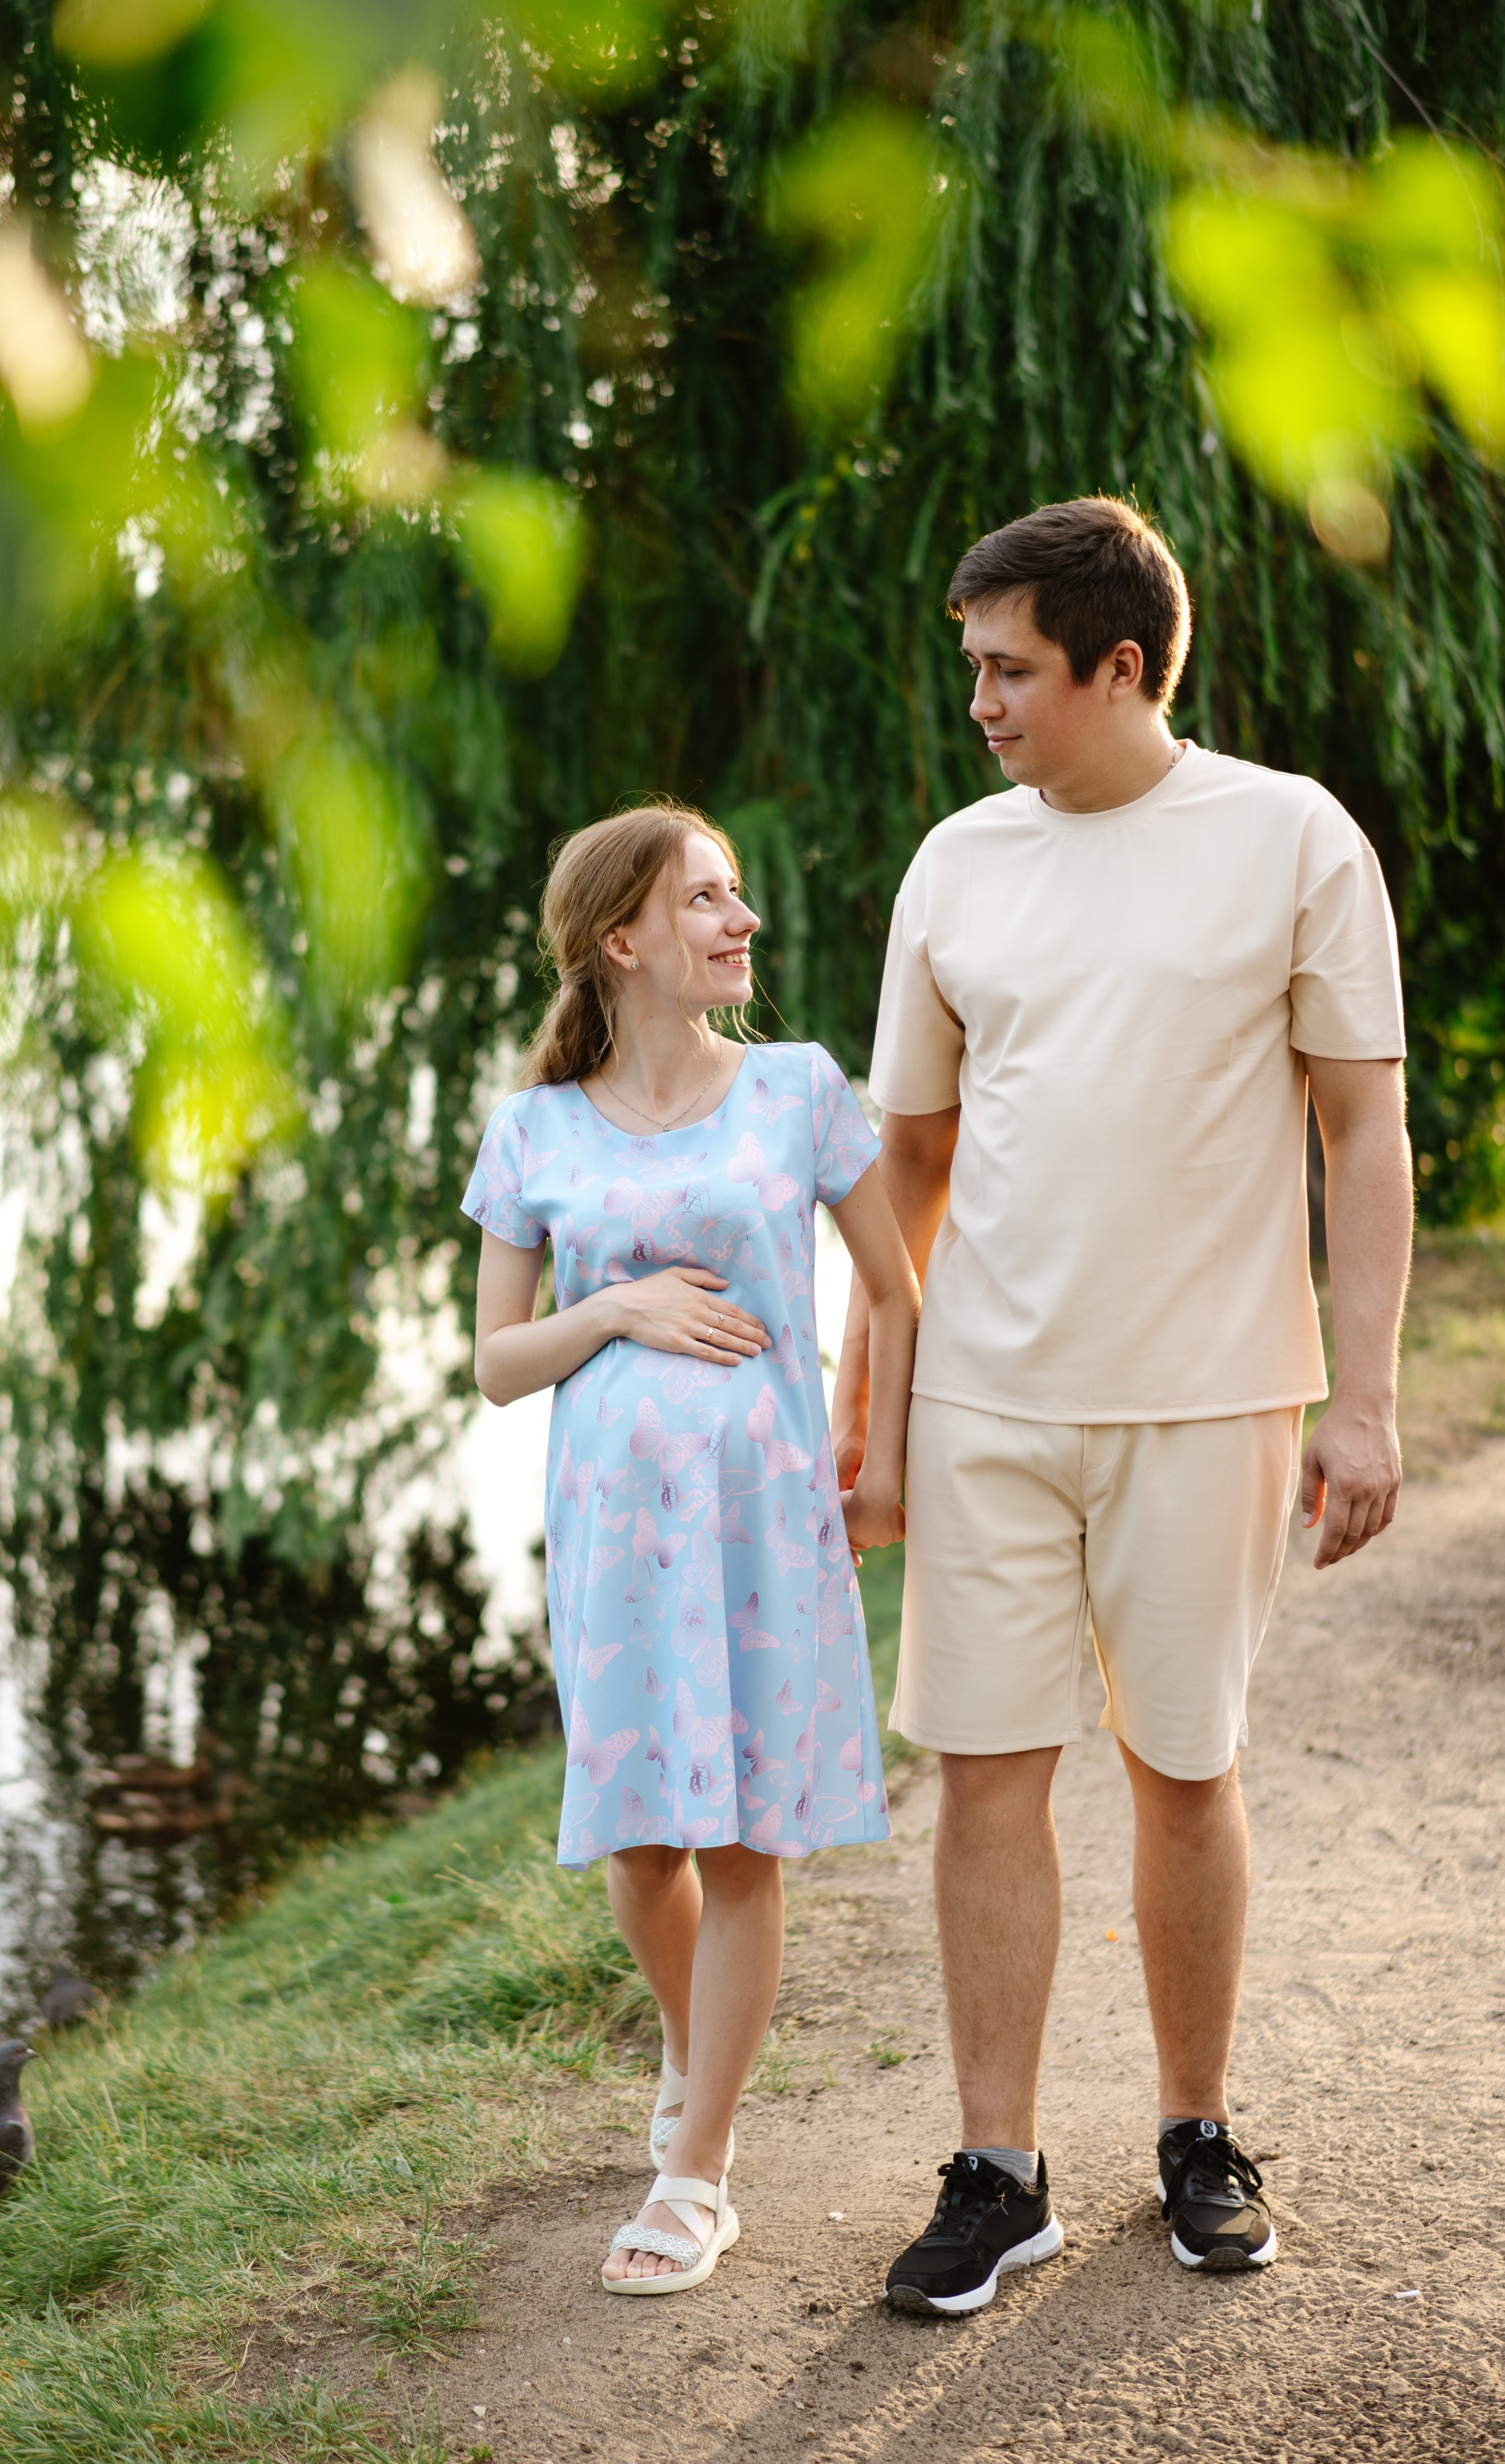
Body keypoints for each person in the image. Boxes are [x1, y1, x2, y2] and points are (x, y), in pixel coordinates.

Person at [833, 496, 1412, 2314]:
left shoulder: (1291, 839)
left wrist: (1367, 1401)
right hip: (991, 1405)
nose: (984, 703)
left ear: (1123, 666)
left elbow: (1363, 1126)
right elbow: (904, 1164)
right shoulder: (957, 862)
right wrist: (876, 1411)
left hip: (1212, 1397)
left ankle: (1196, 2134)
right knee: (983, 1779)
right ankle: (998, 2173)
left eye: (1011, 670)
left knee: (1185, 1770)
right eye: (974, 670)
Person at [464, 802, 920, 2298]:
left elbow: (893, 1298)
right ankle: (688, 2050)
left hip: (761, 1527)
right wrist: (614, 1310)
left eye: (738, 894)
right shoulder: (534, 1128)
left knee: (737, 1841)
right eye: (708, 901)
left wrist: (879, 1475)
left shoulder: (794, 1089)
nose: (742, 923)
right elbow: (494, 1363)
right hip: (609, 1542)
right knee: (642, 1835)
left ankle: (693, 2170)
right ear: (621, 941)